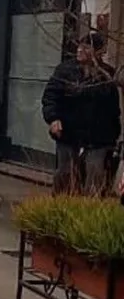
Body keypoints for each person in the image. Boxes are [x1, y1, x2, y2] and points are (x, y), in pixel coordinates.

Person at [42, 32, 120, 196]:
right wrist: (53, 118)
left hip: (99, 137)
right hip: (69, 132)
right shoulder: (65, 71)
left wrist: (114, 135)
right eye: (79, 46)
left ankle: (89, 212)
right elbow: (50, 96)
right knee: (66, 172)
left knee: (95, 174)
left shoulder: (108, 74)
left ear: (98, 52)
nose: (79, 50)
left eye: (86, 48)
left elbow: (113, 108)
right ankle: (61, 206)